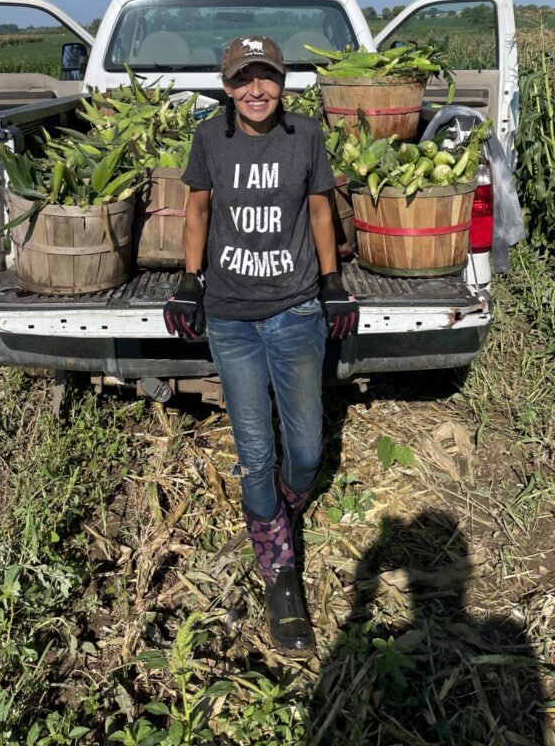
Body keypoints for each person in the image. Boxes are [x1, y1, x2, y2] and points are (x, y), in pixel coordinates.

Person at [164, 34, 359, 656]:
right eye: (243, 80)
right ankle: (280, 574)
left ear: (283, 82)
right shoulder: (208, 140)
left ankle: (278, 510)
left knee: (304, 447)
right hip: (230, 316)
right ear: (226, 87)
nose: (256, 90)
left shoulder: (305, 137)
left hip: (295, 307)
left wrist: (331, 285)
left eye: (267, 78)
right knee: (255, 449)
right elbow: (197, 212)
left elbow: (321, 211)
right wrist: (189, 284)